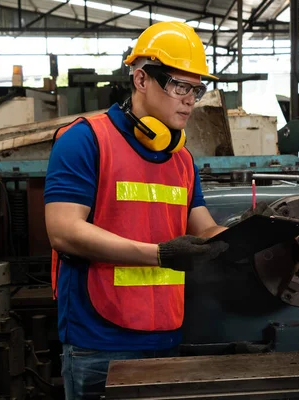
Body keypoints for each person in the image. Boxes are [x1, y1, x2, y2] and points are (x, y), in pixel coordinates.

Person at [44, 22, 230, 399]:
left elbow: (204, 228)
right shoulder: (85, 140)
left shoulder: (181, 159)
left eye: (197, 89)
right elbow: (63, 230)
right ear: (141, 79)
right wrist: (159, 254)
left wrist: (258, 236)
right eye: (180, 86)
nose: (191, 99)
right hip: (100, 341)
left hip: (166, 334)